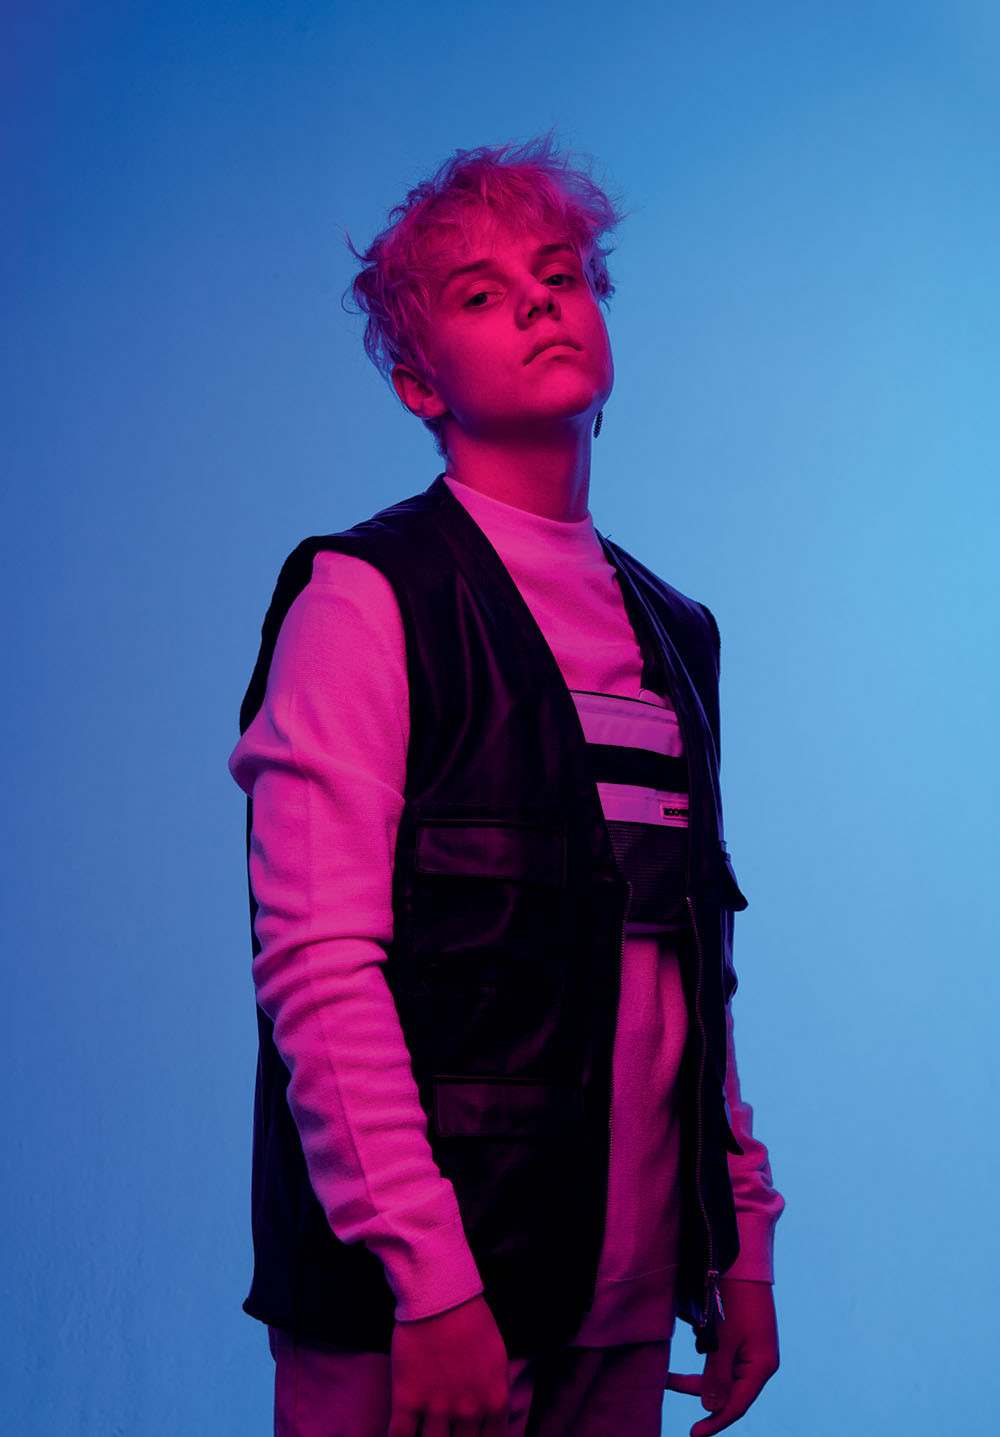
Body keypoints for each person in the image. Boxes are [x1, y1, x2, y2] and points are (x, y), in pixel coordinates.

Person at [229, 133, 785, 1437]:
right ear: (418, 381)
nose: (541, 302)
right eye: (482, 293)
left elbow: (691, 968)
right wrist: (428, 1283)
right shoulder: (366, 599)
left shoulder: (676, 632)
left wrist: (740, 1240)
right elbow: (318, 968)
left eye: (562, 274)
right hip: (429, 1308)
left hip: (626, 1298)